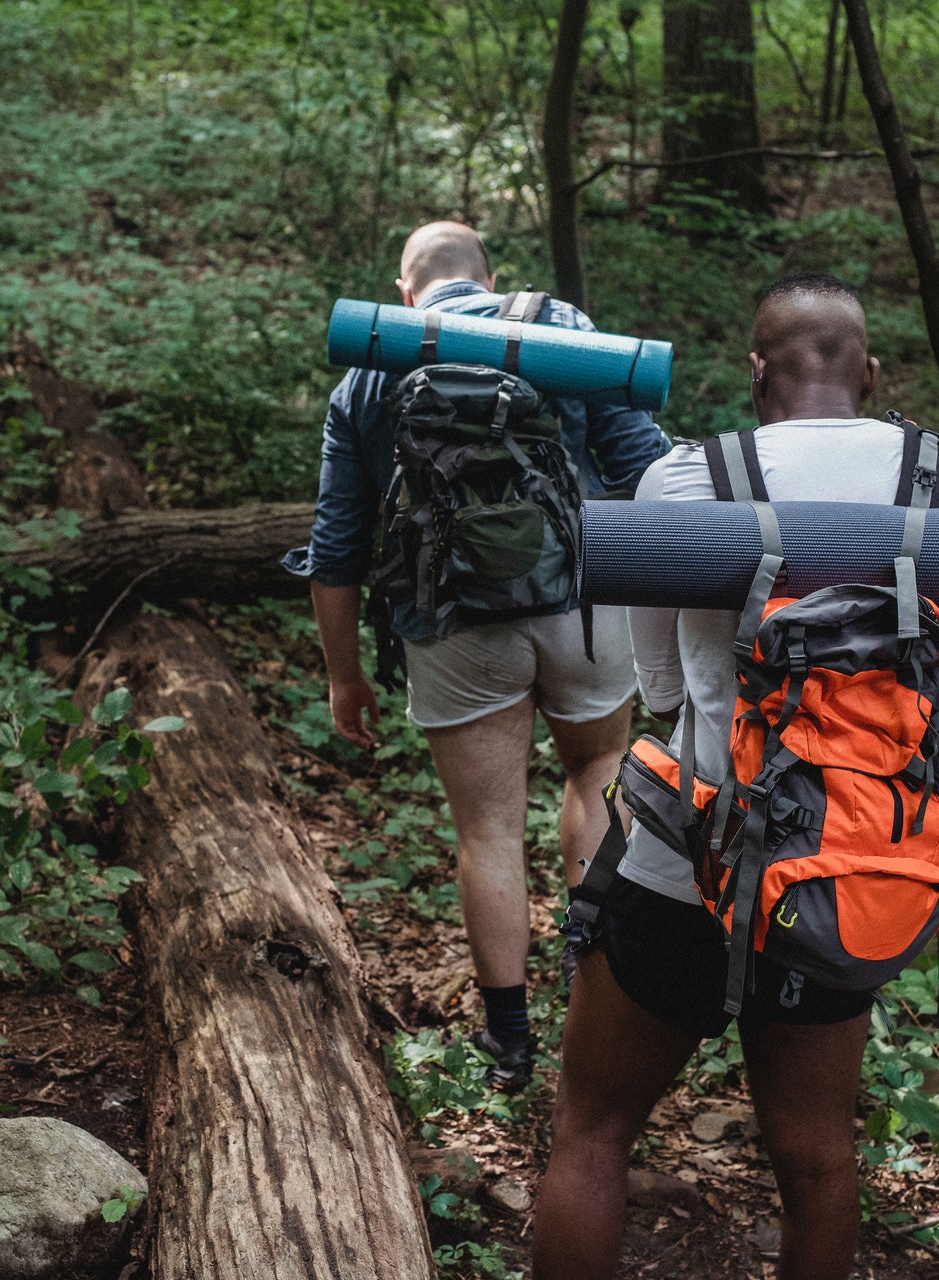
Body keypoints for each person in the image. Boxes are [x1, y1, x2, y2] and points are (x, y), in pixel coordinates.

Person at [532, 273, 939, 1279]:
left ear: (757, 372)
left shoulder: (688, 476)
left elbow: (665, 689)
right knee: (817, 1159)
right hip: (840, 869)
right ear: (871, 372)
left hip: (686, 864)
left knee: (592, 1130)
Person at [284, 221, 671, 1089]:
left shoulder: (369, 370)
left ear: (404, 289)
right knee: (597, 768)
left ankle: (507, 1045)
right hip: (582, 600)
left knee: (487, 827)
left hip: (450, 617)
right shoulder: (559, 330)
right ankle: (593, 999)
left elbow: (338, 543)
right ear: (493, 277)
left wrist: (345, 674)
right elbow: (644, 466)